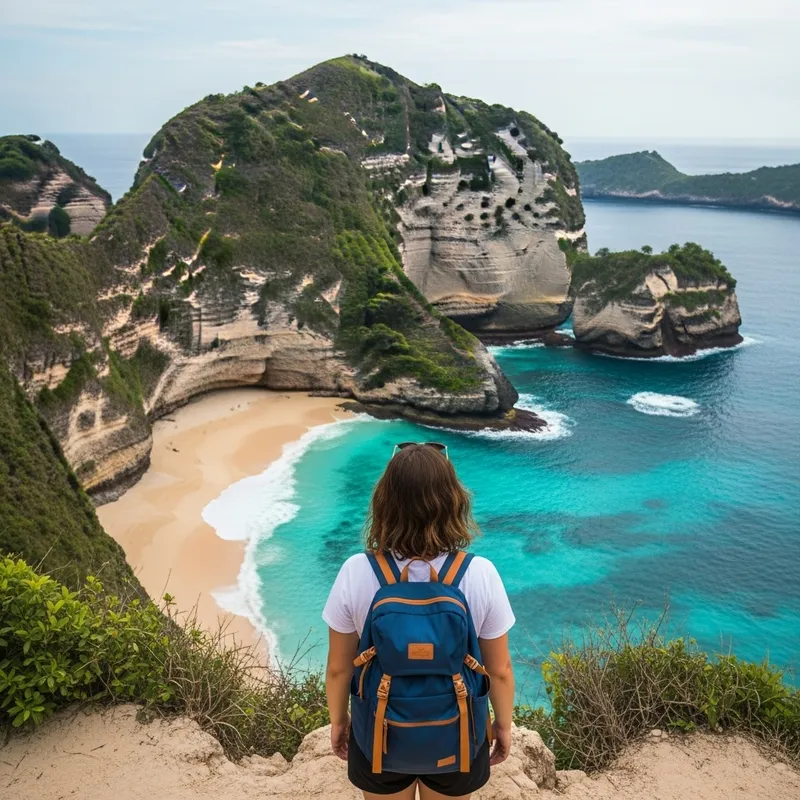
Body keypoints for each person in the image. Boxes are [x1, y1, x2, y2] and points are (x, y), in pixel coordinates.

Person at [323, 442, 516, 799]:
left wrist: (340, 721)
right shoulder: (480, 573)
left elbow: (339, 668)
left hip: (378, 732)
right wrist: (502, 724)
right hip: (458, 732)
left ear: (384, 501)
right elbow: (499, 669)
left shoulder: (355, 571)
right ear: (453, 501)